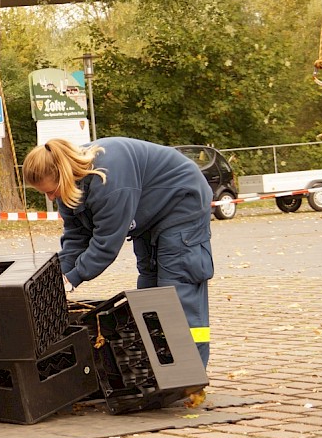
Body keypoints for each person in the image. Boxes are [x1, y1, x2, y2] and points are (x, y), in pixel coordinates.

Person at [22, 137, 213, 368]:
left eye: (51, 191)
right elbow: (76, 238)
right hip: (149, 215)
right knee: (150, 288)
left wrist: (73, 279)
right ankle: (160, 365)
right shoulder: (69, 187)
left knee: (176, 287)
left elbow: (106, 244)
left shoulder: (109, 182)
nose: (51, 198)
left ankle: (190, 373)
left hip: (181, 203)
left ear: (62, 175)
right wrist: (56, 279)